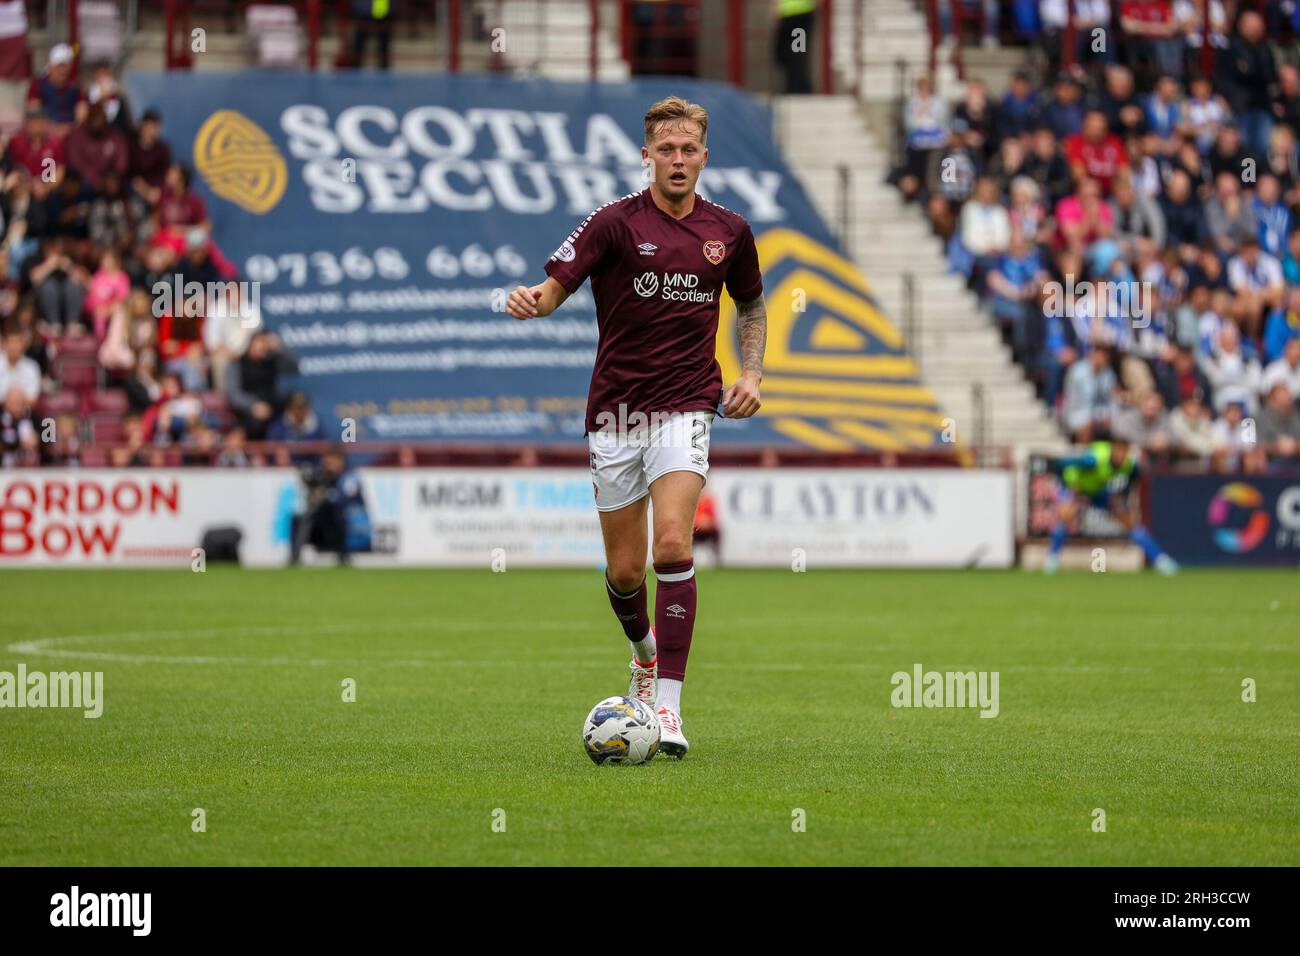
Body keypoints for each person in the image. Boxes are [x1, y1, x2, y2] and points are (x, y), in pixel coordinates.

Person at [505, 96, 767, 758]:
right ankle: (643, 655)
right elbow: (556, 286)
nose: (677, 161)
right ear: (646, 156)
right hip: (617, 413)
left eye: (689, 150)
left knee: (673, 547)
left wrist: (752, 376)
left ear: (705, 156)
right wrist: (533, 302)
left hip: (687, 404)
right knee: (625, 573)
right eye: (666, 150)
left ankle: (670, 710)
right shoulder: (613, 223)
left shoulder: (730, 231)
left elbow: (753, 305)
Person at [1044, 437, 1179, 574]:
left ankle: (1161, 560)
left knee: (1130, 523)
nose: (1121, 455)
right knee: (1065, 517)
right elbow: (1062, 464)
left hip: (1099, 491)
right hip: (1078, 490)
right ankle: (1052, 560)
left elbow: (1134, 477)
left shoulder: (1128, 464)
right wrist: (1070, 486)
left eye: (1124, 452)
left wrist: (1123, 495)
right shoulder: (1093, 460)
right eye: (1119, 451)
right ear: (1113, 450)